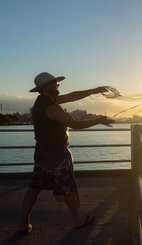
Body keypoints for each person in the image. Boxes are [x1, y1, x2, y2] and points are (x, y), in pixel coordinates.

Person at [17, 72, 115, 234]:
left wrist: (94, 90)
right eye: (55, 83)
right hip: (56, 156)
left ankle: (23, 224)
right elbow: (75, 124)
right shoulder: (52, 107)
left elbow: (73, 96)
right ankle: (78, 220)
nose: (58, 85)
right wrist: (98, 120)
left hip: (42, 153)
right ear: (47, 87)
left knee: (34, 188)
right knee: (67, 187)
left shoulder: (42, 102)